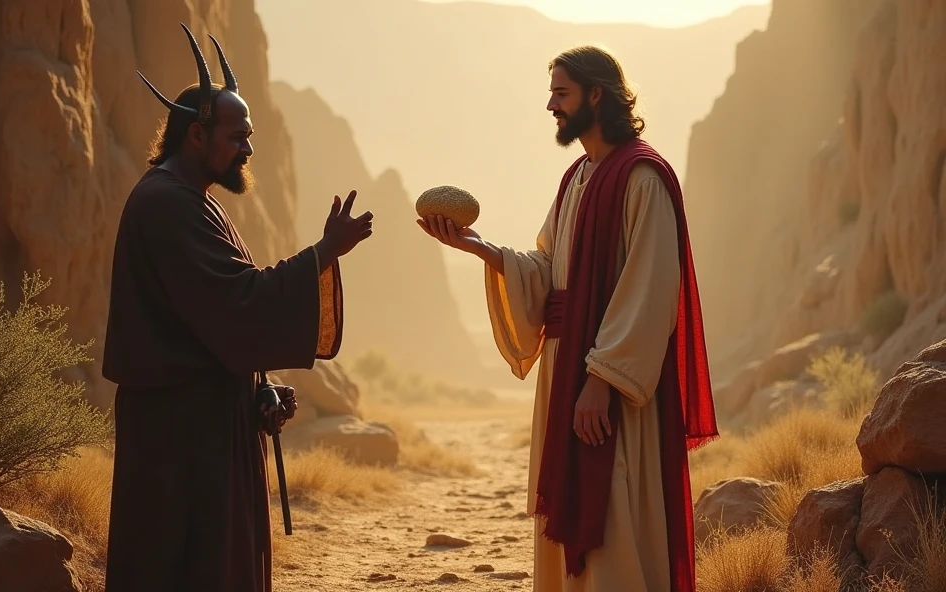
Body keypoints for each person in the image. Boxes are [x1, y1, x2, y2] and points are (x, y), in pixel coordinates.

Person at [418, 45, 719, 591]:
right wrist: (480, 248)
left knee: (615, 508)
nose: (551, 106)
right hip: (568, 373)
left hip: (614, 390)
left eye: (561, 93)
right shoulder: (578, 177)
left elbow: (648, 291)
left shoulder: (642, 178)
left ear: (595, 95)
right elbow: (549, 267)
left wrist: (601, 382)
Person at [100, 24, 373, 592]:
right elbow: (239, 301)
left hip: (204, 427)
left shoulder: (194, 202)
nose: (248, 147)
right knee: (184, 567)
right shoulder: (166, 205)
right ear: (196, 136)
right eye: (238, 134)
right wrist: (325, 251)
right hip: (178, 440)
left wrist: (259, 387)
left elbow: (217, 316)